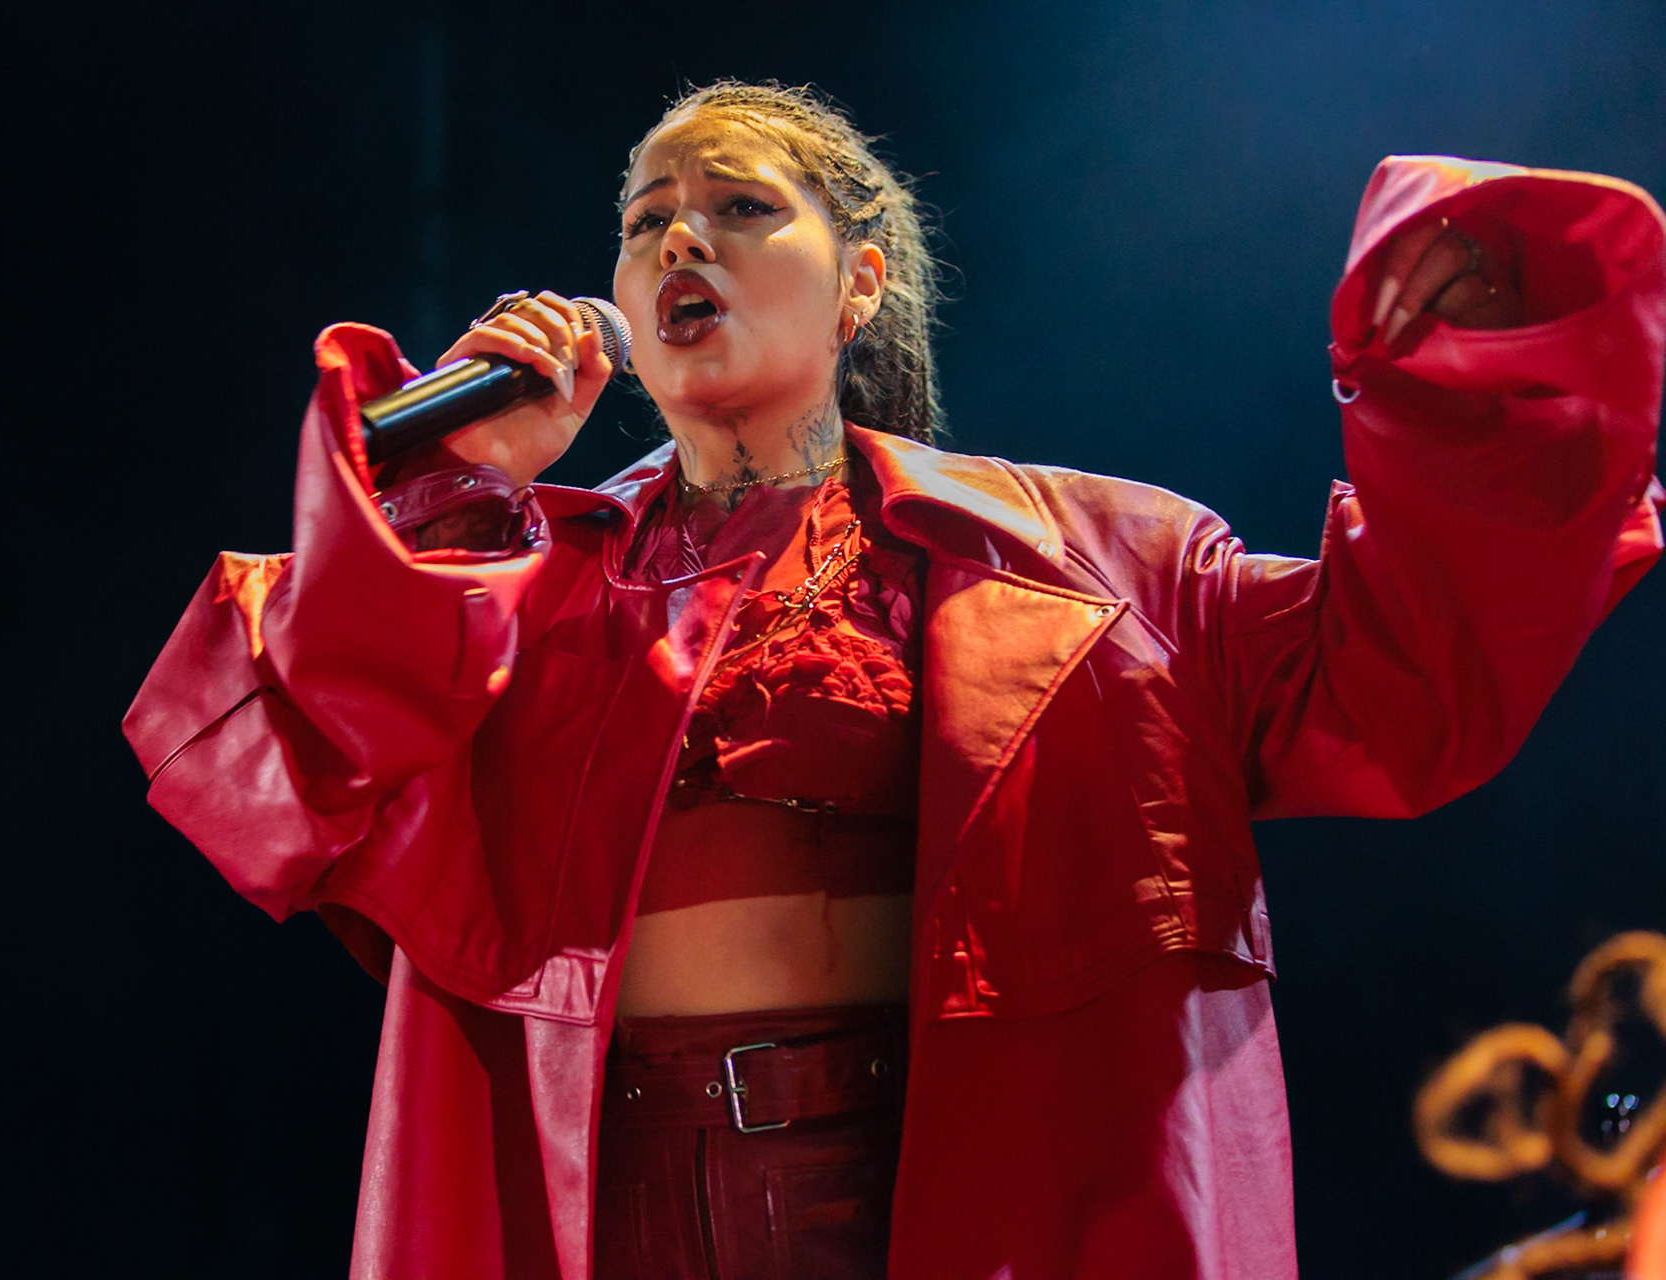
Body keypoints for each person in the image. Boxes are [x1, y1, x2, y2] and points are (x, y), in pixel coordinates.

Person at [124, 81, 1666, 1279]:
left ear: (858, 282)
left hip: (934, 1186)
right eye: (647, 212)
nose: (681, 237)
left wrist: (1462, 367)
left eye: (739, 205)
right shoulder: (526, 578)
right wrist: (458, 494)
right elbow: (293, 759)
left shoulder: (1104, 563)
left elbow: (1404, 674)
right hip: (615, 1193)